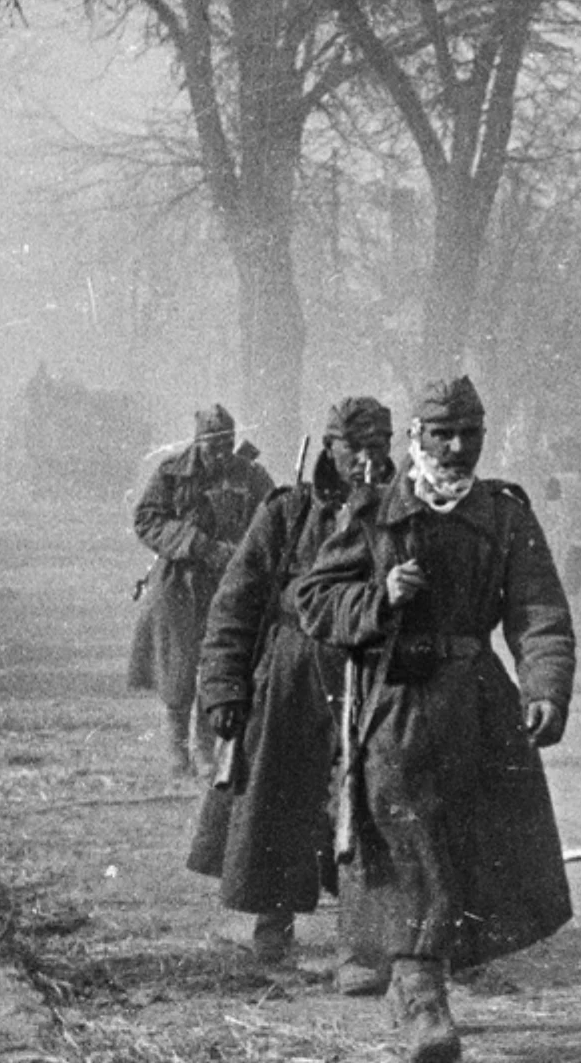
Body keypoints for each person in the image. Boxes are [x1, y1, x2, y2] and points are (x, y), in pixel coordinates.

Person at [291, 377, 575, 1063]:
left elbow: (539, 611)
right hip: (399, 701)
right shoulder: (375, 511)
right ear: (414, 437)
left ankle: (425, 969)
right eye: (441, 434)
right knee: (403, 828)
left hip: (479, 702)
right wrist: (378, 599)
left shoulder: (504, 514)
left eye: (468, 434)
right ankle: (420, 993)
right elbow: (314, 599)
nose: (455, 448)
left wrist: (546, 687)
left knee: (475, 841)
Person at [186, 397, 395, 986]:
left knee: (367, 803)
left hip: (370, 674)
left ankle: (362, 942)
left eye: (380, 445)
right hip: (290, 673)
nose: (367, 459)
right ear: (330, 448)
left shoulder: (402, 514)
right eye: (355, 447)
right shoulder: (287, 512)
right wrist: (225, 687)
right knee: (275, 796)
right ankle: (272, 923)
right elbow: (235, 603)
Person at [132, 404, 274, 775]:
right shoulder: (172, 473)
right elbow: (146, 519)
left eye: (227, 444)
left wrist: (244, 551)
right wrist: (196, 544)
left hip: (229, 584)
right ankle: (178, 752)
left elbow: (273, 518)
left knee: (220, 666)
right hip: (180, 582)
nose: (220, 454)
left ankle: (207, 750)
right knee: (178, 670)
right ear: (197, 443)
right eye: (212, 446)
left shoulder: (251, 475)